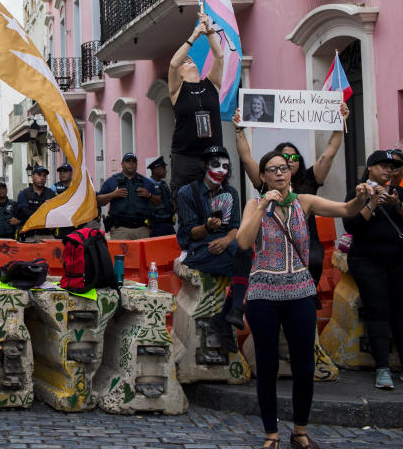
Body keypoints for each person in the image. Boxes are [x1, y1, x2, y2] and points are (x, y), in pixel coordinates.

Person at [237, 151, 371, 449]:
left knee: (304, 366)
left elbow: (346, 209)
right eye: (272, 170)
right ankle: (271, 433)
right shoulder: (253, 205)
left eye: (283, 168)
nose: (280, 174)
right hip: (263, 294)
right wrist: (262, 207)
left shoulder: (304, 202)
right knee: (268, 365)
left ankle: (300, 431)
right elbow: (244, 242)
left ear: (290, 173)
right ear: (263, 177)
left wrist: (362, 197)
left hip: (299, 291)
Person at [234, 103, 350, 285]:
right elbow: (247, 159)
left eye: (294, 158)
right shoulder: (266, 185)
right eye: (283, 159)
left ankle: (308, 296)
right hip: (273, 247)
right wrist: (239, 130)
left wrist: (339, 124)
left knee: (313, 261)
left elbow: (329, 154)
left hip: (308, 244)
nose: (288, 163)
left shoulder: (310, 179)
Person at [175, 145, 248, 351]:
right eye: (215, 164)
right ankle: (229, 316)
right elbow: (190, 233)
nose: (220, 170)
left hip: (226, 246)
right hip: (198, 250)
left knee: (246, 253)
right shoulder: (187, 193)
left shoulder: (231, 193)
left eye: (225, 166)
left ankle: (228, 315)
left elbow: (235, 228)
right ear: (204, 166)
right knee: (245, 263)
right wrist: (207, 227)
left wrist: (225, 241)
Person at [341, 150, 403, 390]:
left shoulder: (398, 192)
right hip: (367, 261)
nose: (388, 170)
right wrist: (373, 203)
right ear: (371, 168)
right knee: (378, 312)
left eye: (392, 167)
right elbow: (351, 224)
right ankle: (383, 369)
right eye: (383, 166)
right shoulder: (358, 192)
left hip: (397, 261)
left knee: (400, 314)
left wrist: (396, 204)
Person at [168, 13, 224, 190]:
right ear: (181, 74)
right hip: (185, 157)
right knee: (186, 200)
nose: (188, 60)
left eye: (190, 59)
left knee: (215, 203)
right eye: (185, 62)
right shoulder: (177, 90)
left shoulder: (211, 84)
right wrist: (194, 36)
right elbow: (173, 64)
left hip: (212, 156)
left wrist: (209, 31)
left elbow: (220, 56)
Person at [96, 153, 161, 240]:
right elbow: (98, 201)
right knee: (120, 254)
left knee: (141, 254)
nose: (131, 164)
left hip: (142, 229)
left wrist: (149, 195)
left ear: (137, 164)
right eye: (128, 161)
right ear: (122, 164)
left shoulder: (145, 182)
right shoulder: (112, 181)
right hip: (120, 229)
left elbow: (158, 201)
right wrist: (113, 195)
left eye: (134, 161)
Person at [15, 166, 57, 242]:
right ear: (32, 177)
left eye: (44, 176)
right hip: (30, 236)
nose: (42, 178)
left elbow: (55, 211)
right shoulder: (24, 194)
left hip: (48, 235)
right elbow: (26, 212)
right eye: (39, 175)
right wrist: (45, 217)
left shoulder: (51, 194)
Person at [148, 156, 176, 237]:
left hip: (168, 224)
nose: (166, 171)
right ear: (155, 170)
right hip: (156, 225)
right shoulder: (147, 185)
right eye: (163, 168)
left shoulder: (164, 184)